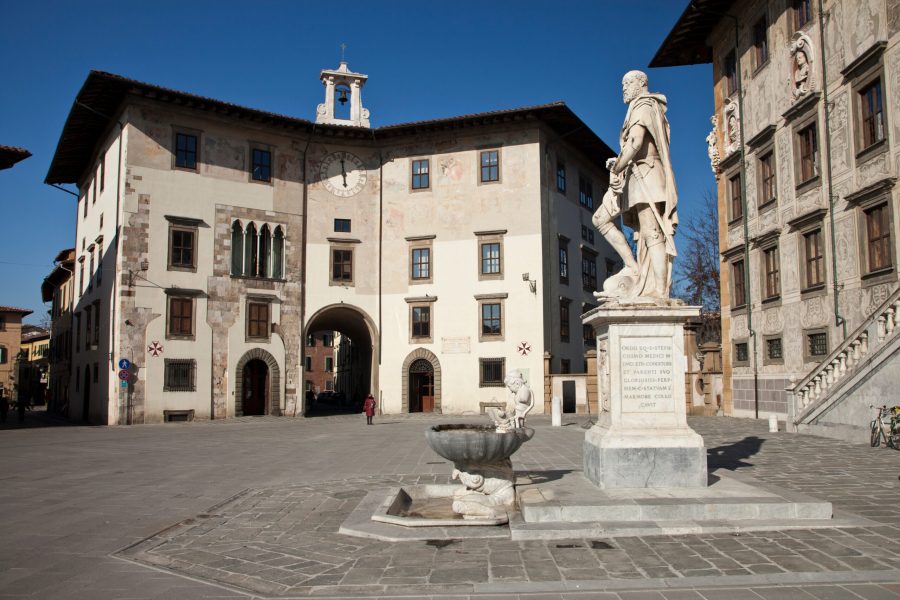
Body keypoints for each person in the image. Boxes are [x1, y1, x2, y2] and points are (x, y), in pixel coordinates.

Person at [593, 70, 678, 301]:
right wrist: (619, 161)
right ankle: (634, 268)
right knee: (600, 218)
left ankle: (659, 291)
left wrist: (618, 166)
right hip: (634, 176)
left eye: (627, 83)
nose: (624, 88)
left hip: (647, 176)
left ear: (641, 83)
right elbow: (632, 147)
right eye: (623, 84)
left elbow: (636, 142)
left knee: (652, 234)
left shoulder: (644, 106)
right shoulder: (637, 108)